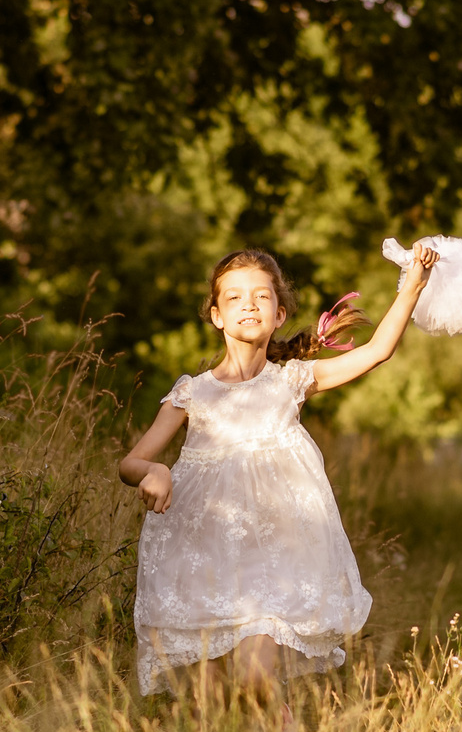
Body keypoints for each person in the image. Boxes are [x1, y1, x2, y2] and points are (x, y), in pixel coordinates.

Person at [119, 242, 439, 701]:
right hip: (201, 556)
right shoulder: (192, 394)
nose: (248, 304)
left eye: (261, 296)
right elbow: (130, 463)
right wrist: (156, 472)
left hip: (272, 563)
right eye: (233, 297)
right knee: (209, 706)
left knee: (255, 682)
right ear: (216, 316)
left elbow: (376, 351)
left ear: (280, 313)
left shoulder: (292, 381)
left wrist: (412, 285)